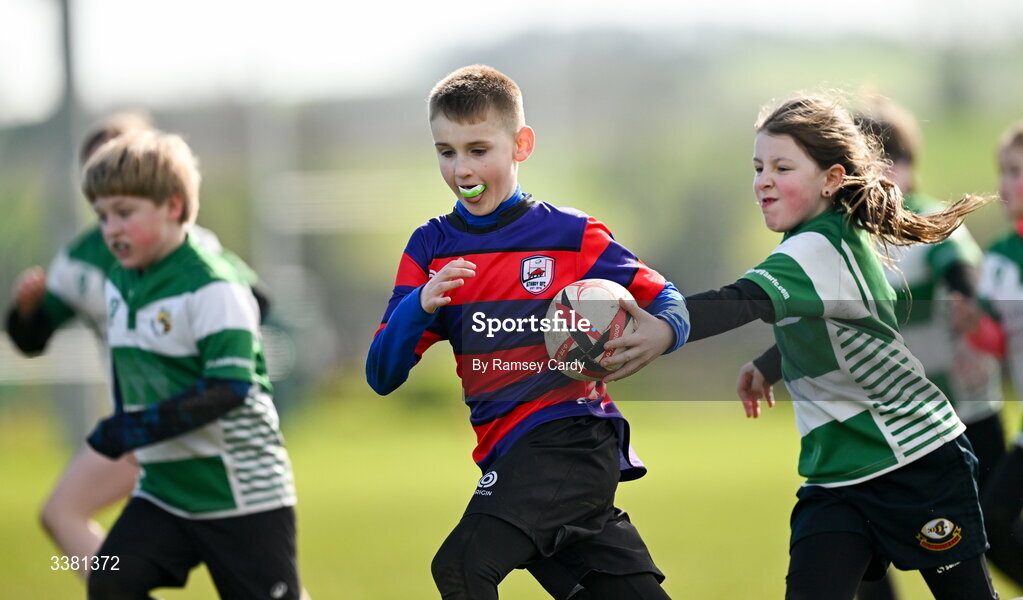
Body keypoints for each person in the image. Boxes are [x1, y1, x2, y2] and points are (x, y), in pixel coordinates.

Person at [617, 94, 997, 600]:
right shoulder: (827, 236)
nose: (763, 180)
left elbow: (740, 301)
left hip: (914, 459)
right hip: (835, 479)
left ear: (831, 179)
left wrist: (665, 327)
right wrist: (772, 364)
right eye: (757, 167)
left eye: (781, 166)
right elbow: (840, 328)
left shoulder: (816, 246)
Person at [366, 64, 690, 600]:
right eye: (446, 152)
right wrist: (421, 304)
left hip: (570, 438)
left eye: (478, 149)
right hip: (510, 452)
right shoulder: (430, 250)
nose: (462, 168)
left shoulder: (570, 235)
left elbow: (667, 298)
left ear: (521, 144)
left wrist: (662, 333)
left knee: (462, 567)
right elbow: (381, 373)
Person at [4, 112, 269, 583]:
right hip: (141, 431)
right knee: (84, 543)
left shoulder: (192, 252)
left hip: (195, 427)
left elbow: (254, 305)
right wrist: (24, 312)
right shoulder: (83, 259)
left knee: (257, 574)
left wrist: (184, 350)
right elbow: (32, 338)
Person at [77, 130, 300, 599]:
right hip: (164, 493)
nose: (111, 229)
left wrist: (132, 430)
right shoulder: (119, 281)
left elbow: (229, 387)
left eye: (124, 212)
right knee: (111, 583)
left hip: (240, 494)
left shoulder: (214, 285)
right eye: (102, 216)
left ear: (174, 207)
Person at [849, 100, 1007, 600]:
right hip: (891, 417)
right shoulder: (847, 235)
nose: (886, 172)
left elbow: (954, 259)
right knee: (865, 540)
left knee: (991, 535)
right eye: (871, 162)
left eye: (894, 158)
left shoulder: (930, 218)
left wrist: (962, 294)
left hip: (963, 409)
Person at [975, 121, 1023, 588]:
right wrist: (973, 329)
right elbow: (1000, 342)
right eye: (1005, 171)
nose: (1007, 183)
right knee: (992, 522)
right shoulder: (1000, 257)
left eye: (1018, 171)